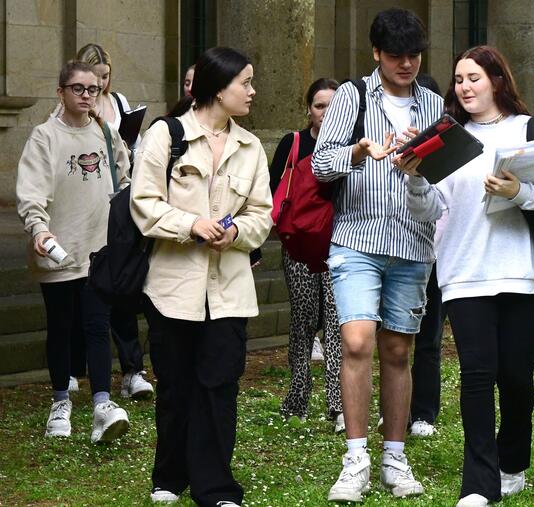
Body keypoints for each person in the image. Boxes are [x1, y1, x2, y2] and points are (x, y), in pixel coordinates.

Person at [405, 45, 534, 507]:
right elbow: (427, 210)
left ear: (497, 80)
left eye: (473, 77)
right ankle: (479, 484)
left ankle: (512, 460)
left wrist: (518, 191)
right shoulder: (446, 137)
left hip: (522, 273)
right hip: (463, 274)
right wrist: (416, 178)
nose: (464, 86)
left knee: (516, 378)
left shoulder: (530, 129)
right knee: (477, 377)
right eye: (458, 79)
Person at [130, 46, 272, 506]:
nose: (252, 91)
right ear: (218, 87)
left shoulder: (250, 148)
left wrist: (234, 233)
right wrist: (190, 224)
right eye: (245, 83)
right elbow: (144, 205)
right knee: (175, 386)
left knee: (219, 386)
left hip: (230, 290)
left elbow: (262, 215)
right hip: (172, 287)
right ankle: (169, 476)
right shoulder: (164, 136)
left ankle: (214, 487)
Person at [312, 8, 443, 503]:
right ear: (376, 54)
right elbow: (321, 166)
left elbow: (442, 179)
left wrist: (418, 168)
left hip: (413, 242)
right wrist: (358, 153)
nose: (405, 64)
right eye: (395, 56)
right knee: (357, 340)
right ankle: (355, 458)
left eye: (413, 55)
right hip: (356, 239)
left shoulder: (432, 103)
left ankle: (394, 454)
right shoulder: (352, 96)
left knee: (397, 350)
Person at [16, 60, 131, 443]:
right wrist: (39, 228)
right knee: (62, 327)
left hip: (99, 250)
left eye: (93, 89)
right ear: (61, 91)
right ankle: (60, 402)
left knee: (98, 326)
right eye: (78, 89)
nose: (86, 95)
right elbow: (32, 192)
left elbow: (124, 175)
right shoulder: (44, 136)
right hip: (58, 251)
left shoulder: (104, 131)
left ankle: (102, 403)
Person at [61, 42, 153, 399]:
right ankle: (72, 368)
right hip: (82, 209)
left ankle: (132, 370)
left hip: (117, 206)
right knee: (81, 288)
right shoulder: (70, 110)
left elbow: (138, 148)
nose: (98, 86)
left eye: (105, 78)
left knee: (121, 287)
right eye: (93, 79)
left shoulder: (118, 104)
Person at [269, 77, 344, 432]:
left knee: (336, 322)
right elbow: (273, 189)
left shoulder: (349, 146)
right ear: (308, 109)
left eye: (332, 105)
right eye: (318, 106)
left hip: (338, 246)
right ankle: (297, 398)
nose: (325, 113)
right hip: (298, 245)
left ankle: (337, 404)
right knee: (302, 321)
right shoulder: (294, 143)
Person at [409, 72, 444, 438]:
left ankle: (424, 411)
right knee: (397, 336)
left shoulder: (448, 150)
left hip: (436, 255)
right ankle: (398, 407)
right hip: (402, 249)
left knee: (429, 335)